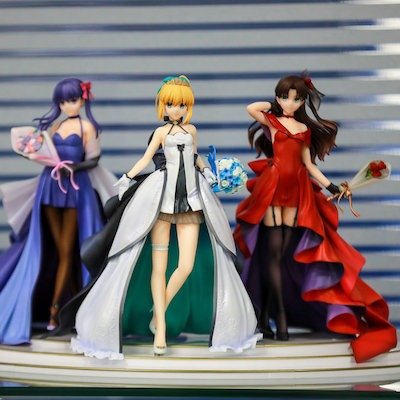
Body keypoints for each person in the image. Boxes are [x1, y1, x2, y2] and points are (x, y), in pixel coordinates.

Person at [70, 75, 260, 359]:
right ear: (163, 106)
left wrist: (210, 173)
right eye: (171, 104)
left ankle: (158, 313)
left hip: (190, 202)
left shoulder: (191, 130)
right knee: (158, 268)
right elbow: (146, 158)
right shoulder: (160, 133)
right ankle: (159, 330)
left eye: (182, 104)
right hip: (161, 202)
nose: (176, 109)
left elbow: (196, 157)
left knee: (186, 265)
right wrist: (128, 177)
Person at [234, 74, 397, 363]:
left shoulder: (304, 130)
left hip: (296, 190)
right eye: (285, 97)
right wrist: (275, 105)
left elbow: (309, 165)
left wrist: (332, 187)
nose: (290, 103)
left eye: (295, 99)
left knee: (281, 255)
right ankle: (279, 317)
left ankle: (265, 315)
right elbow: (251, 108)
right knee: (273, 254)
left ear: (302, 102)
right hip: (272, 186)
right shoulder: (272, 121)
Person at [0, 77, 116, 345]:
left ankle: (56, 310)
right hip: (50, 186)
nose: (67, 105)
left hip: (75, 188)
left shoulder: (87, 127)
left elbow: (94, 160)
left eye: (72, 100)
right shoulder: (56, 126)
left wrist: (75, 167)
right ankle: (70, 306)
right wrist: (33, 152)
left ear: (82, 100)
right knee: (56, 247)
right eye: (63, 101)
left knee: (66, 250)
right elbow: (45, 152)